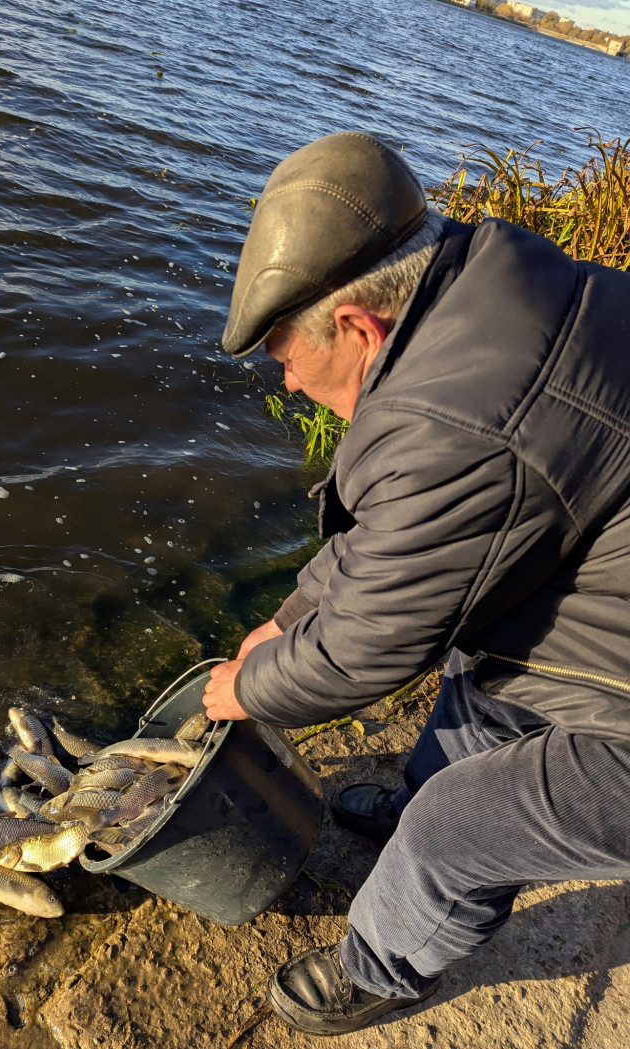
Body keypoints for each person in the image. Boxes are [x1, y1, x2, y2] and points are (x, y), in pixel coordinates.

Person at [200, 130, 630, 1038]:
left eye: (285, 355)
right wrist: (286, 616)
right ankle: (404, 811)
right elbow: (401, 539)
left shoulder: (458, 425)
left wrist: (247, 685)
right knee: (480, 688)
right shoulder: (497, 287)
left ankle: (388, 966)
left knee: (459, 824)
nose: (284, 379)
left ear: (359, 326)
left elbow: (364, 654)